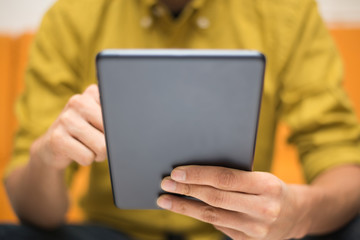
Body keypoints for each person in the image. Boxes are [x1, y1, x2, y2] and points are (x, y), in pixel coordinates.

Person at [2, 0, 360, 239]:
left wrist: (300, 213)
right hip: (112, 231)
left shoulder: (285, 10)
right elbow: (34, 211)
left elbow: (343, 162)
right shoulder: (72, 15)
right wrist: (48, 157)